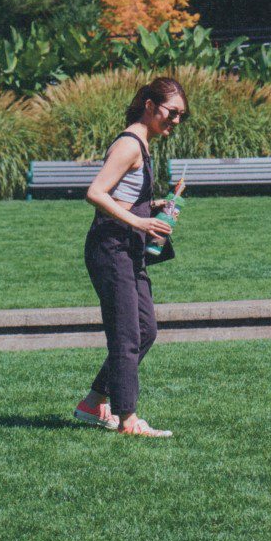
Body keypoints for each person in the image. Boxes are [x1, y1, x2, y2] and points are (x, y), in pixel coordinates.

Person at [77, 76, 188, 437]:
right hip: (111, 249)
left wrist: (155, 205)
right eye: (172, 112)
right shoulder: (129, 145)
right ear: (150, 105)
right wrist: (141, 220)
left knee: (146, 330)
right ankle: (127, 420)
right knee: (126, 335)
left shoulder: (143, 145)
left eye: (181, 116)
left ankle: (94, 402)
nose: (175, 121)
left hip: (129, 248)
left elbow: (122, 195)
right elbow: (96, 192)